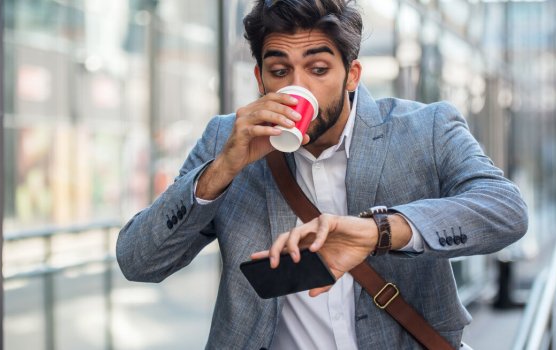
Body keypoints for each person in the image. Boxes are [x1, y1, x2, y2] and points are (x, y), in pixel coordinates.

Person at [116, 0, 528, 349]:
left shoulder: (425, 128)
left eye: (318, 69)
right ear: (260, 79)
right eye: (280, 72)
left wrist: (381, 231)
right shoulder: (228, 139)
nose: (299, 86)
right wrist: (222, 170)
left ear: (351, 74)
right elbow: (139, 261)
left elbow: (505, 210)